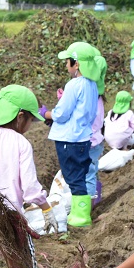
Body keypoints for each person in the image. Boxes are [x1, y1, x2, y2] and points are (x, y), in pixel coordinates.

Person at [0, 84, 58, 234]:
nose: (30, 125)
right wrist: (46, 208)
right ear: (20, 117)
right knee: (19, 256)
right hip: (7, 216)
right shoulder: (20, 142)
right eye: (30, 120)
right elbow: (30, 188)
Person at [41, 42, 104, 227]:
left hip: (69, 139)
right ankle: (78, 214)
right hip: (83, 137)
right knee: (79, 176)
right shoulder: (92, 85)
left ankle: (81, 217)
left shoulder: (74, 84)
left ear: (76, 64)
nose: (66, 65)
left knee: (73, 178)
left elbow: (61, 114)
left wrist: (46, 114)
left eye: (67, 61)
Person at [86, 49, 108, 208]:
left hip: (90, 141)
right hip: (97, 140)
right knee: (93, 171)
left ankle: (88, 207)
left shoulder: (91, 97)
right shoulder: (99, 97)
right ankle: (96, 200)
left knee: (88, 174)